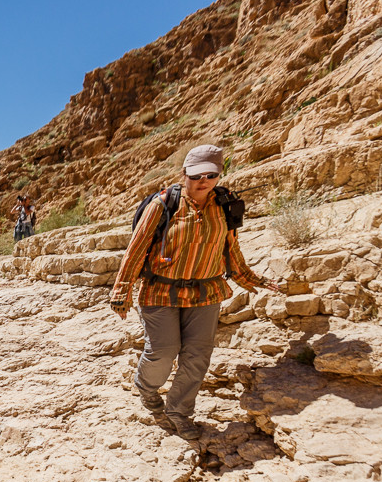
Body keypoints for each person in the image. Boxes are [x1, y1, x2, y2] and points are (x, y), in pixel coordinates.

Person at [109, 144, 281, 440]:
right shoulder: (163, 204)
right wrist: (122, 291)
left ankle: (179, 411)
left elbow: (231, 251)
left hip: (206, 293)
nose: (203, 180)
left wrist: (254, 280)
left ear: (219, 175)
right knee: (163, 351)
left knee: (198, 356)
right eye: (196, 174)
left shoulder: (225, 206)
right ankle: (147, 390)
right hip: (160, 292)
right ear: (184, 173)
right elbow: (135, 250)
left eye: (211, 174)